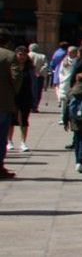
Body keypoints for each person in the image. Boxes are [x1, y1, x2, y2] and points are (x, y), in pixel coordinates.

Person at [0, 35, 25, 179]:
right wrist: (11, 92)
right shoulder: (9, 56)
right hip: (3, 103)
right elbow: (17, 77)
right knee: (1, 136)